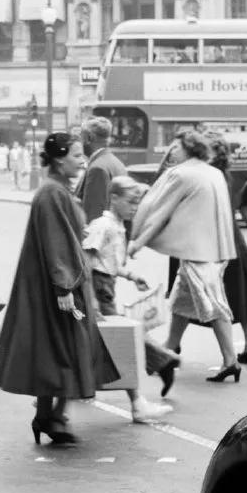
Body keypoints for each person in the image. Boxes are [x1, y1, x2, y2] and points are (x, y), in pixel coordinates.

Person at [0, 132, 118, 445]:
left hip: (63, 284)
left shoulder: (56, 190)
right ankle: (51, 416)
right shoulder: (53, 193)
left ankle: (50, 415)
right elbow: (56, 242)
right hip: (60, 288)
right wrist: (64, 288)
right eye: (76, 155)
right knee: (67, 349)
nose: (82, 160)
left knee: (58, 350)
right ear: (60, 158)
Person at [128, 130, 239, 383]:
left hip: (196, 251)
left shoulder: (182, 173)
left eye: (175, 147)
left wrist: (137, 242)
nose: (171, 152)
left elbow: (158, 213)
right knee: (182, 299)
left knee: (213, 302)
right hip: (216, 250)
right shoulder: (214, 172)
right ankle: (169, 349)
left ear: (188, 148)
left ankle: (230, 359)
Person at [83, 175, 175, 420]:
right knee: (119, 340)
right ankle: (143, 391)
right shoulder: (103, 226)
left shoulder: (118, 226)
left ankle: (60, 394)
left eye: (137, 203)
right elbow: (88, 259)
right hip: (99, 288)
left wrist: (131, 275)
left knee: (113, 339)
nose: (134, 208)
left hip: (106, 286)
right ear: (113, 198)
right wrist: (91, 295)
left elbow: (108, 262)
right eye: (130, 202)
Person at [204, 131, 247, 364]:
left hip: (219, 240)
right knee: (241, 291)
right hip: (234, 238)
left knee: (219, 296)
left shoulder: (210, 175)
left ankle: (230, 355)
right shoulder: (225, 174)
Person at [75, 115, 125, 224]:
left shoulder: (97, 169)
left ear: (89, 138)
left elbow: (93, 217)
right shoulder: (117, 163)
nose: (80, 142)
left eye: (81, 137)